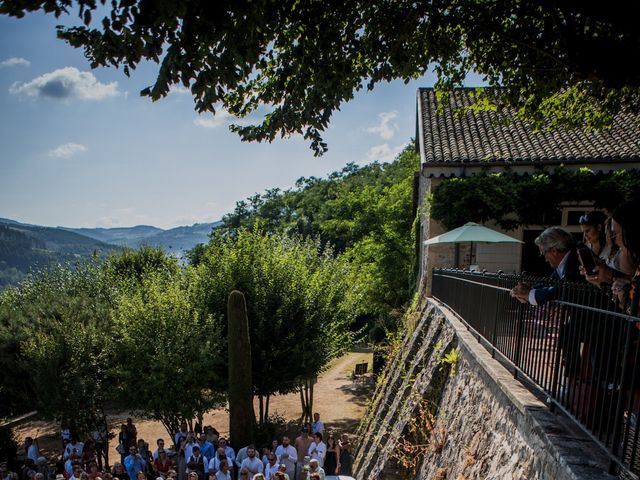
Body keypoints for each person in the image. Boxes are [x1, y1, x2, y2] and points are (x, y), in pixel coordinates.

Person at [511, 227, 583, 305]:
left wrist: (529, 294)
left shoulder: (578, 259)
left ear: (554, 251)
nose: (545, 259)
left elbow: (564, 289)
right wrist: (530, 289)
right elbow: (550, 283)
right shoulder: (566, 260)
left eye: (543, 253)